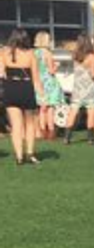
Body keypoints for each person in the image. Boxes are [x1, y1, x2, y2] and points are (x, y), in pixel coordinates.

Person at [1, 28, 44, 164]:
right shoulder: (31, 54)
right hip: (26, 88)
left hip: (10, 88)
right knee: (30, 124)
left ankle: (19, 156)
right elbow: (36, 78)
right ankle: (30, 154)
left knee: (16, 125)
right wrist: (42, 95)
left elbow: (1, 73)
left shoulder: (4, 52)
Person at [64, 35, 94, 145]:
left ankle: (67, 137)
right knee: (91, 112)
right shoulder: (91, 57)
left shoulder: (75, 55)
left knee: (73, 111)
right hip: (89, 88)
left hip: (77, 87)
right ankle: (90, 138)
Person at [33, 31, 66, 141]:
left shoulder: (34, 53)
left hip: (38, 81)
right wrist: (57, 65)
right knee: (50, 108)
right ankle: (51, 130)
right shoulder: (48, 53)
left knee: (42, 108)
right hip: (49, 82)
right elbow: (51, 71)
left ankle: (42, 130)